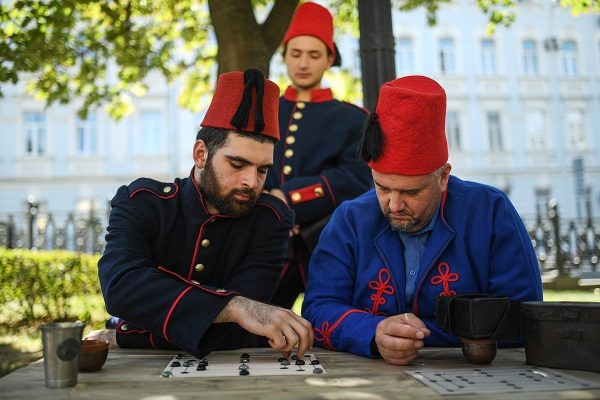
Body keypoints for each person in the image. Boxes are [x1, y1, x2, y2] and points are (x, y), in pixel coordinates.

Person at [301, 75, 543, 366]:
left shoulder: (491, 211)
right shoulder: (350, 219)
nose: (394, 204)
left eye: (411, 191)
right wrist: (373, 332)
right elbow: (318, 308)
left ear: (443, 177)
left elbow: (524, 315)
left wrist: (419, 337)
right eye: (382, 187)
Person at [89, 69, 313, 359]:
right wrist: (234, 307)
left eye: (262, 169)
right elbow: (120, 288)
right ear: (201, 154)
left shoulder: (271, 219)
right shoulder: (142, 202)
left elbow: (235, 334)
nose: (252, 182)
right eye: (237, 164)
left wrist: (127, 336)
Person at [265, 2, 372, 309]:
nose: (303, 63)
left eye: (314, 55)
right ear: (284, 56)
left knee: (332, 323)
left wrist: (289, 197)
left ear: (329, 59)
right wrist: (272, 206)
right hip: (269, 240)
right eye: (295, 54)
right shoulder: (264, 111)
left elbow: (356, 179)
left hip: (325, 240)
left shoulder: (352, 118)